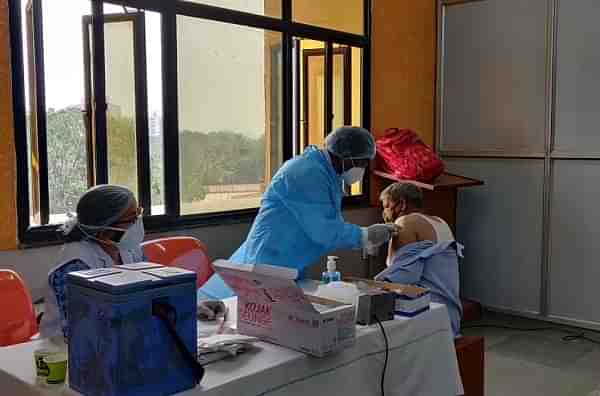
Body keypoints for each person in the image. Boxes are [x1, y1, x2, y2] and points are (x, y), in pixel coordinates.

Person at [200, 127, 398, 299]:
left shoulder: (326, 174)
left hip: (288, 263)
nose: (362, 169)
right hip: (269, 263)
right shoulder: (307, 173)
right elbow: (325, 231)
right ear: (345, 156)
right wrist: (365, 236)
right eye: (361, 163)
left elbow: (326, 224)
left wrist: (363, 237)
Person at [40, 185, 145, 339]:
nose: (138, 223)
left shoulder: (127, 248)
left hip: (119, 337)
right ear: (104, 229)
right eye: (131, 218)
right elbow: (82, 327)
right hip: (65, 348)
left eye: (138, 214)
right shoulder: (75, 264)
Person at [378, 183, 463, 337]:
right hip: (450, 315)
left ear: (402, 203)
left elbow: (400, 276)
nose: (384, 212)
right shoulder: (440, 221)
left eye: (387, 206)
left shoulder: (404, 222)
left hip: (427, 314)